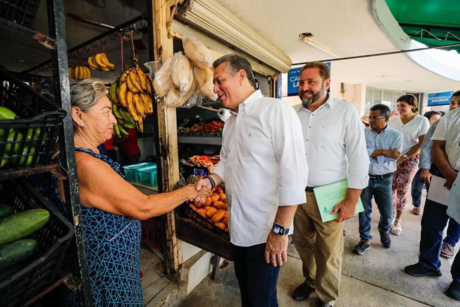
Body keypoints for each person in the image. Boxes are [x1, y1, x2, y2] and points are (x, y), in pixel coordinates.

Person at [40, 79, 210, 306]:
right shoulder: (84, 164)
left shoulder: (63, 152)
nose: (113, 120)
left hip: (97, 267)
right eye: (106, 112)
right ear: (78, 116)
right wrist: (189, 191)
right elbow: (144, 206)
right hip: (105, 277)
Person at [194, 54, 308, 307]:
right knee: (246, 292)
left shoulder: (275, 111)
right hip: (238, 229)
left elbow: (295, 175)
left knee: (261, 300)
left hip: (265, 231)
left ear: (242, 76)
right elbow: (225, 161)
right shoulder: (231, 122)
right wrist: (211, 181)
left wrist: (280, 231)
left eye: (220, 80)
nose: (215, 89)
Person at [292, 62, 369, 307]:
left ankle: (327, 297)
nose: (304, 87)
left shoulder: (345, 111)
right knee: (303, 244)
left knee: (329, 251)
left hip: (330, 195)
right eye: (301, 82)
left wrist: (352, 199)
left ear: (327, 83)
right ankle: (311, 280)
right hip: (295, 194)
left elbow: (358, 156)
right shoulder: (292, 114)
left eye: (311, 82)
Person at [404, 92, 460, 287]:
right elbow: (431, 146)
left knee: (456, 223)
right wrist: (448, 173)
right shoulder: (445, 120)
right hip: (442, 178)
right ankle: (428, 263)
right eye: (453, 102)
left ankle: (458, 278)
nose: (455, 106)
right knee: (432, 223)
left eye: (459, 103)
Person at [353, 104, 403, 255]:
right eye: (370, 117)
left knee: (388, 213)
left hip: (385, 178)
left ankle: (384, 231)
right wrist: (383, 151)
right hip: (364, 177)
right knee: (364, 211)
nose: (371, 120)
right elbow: (360, 152)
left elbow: (393, 157)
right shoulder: (362, 133)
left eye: (375, 117)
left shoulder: (396, 135)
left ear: (386, 118)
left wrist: (372, 153)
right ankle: (365, 239)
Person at [388, 95, 429, 235]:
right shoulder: (393, 121)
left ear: (413, 106)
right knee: (390, 188)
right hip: (392, 158)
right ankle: (390, 214)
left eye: (403, 105)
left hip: (410, 159)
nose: (399, 108)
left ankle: (398, 220)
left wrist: (404, 157)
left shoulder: (421, 121)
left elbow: (422, 143)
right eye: (398, 105)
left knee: (403, 189)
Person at [410, 110, 442, 215]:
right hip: (424, 163)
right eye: (435, 119)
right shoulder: (427, 129)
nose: (437, 121)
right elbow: (425, 147)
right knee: (417, 186)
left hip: (437, 165)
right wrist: (425, 168)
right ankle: (417, 205)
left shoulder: (443, 129)